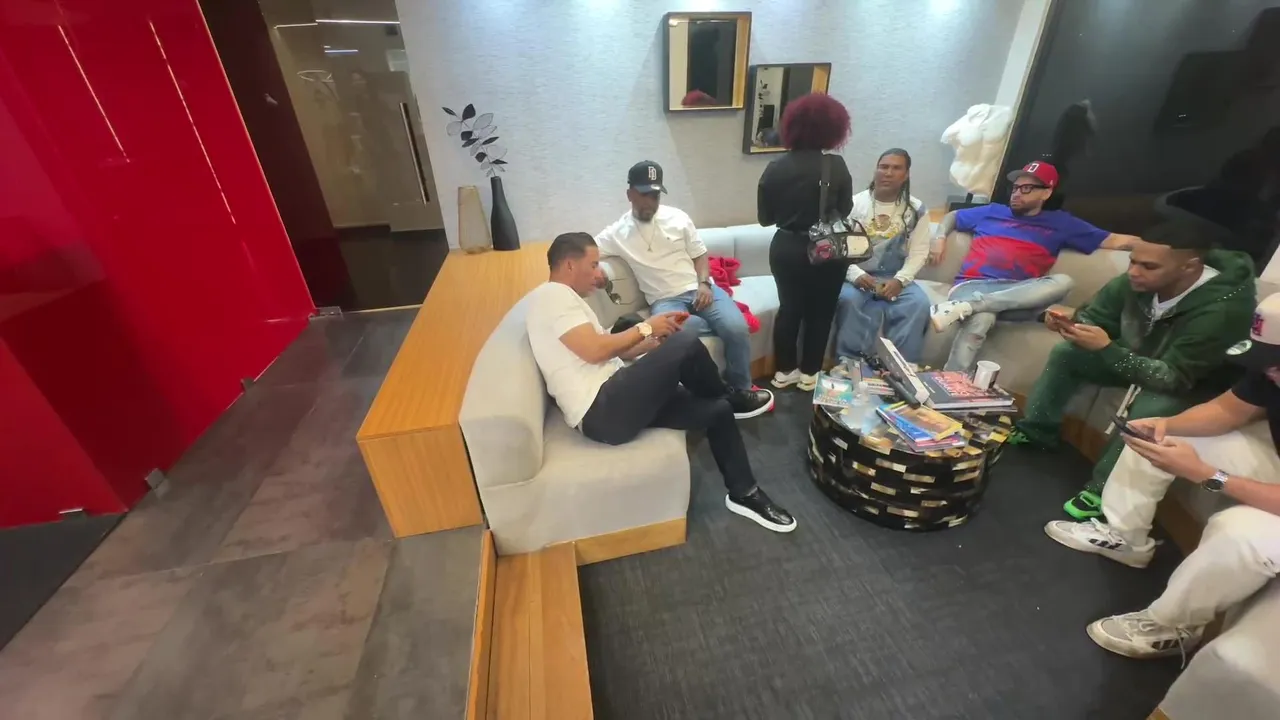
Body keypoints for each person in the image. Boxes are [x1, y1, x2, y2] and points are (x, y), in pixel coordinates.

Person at [1043, 292, 1280, 659]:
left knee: (1239, 534)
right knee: (1155, 439)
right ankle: (1125, 537)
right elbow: (1228, 410)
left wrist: (1209, 475)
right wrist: (1166, 424)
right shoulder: (1271, 368)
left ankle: (1173, 626)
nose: (1269, 373)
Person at [525, 232, 797, 533]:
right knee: (686, 343)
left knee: (716, 411)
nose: (599, 274)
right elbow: (594, 351)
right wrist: (646, 328)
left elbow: (609, 351)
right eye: (593, 265)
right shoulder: (552, 296)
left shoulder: (567, 301)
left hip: (616, 398)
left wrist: (653, 343)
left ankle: (745, 494)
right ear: (569, 265)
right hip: (600, 411)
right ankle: (732, 396)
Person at [1016, 221, 1255, 519]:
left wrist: (1107, 349)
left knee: (1152, 410)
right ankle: (1036, 431)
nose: (1133, 272)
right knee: (1068, 354)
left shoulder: (1223, 310)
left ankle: (1103, 491)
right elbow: (1096, 317)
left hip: (1192, 383)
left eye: (1149, 266)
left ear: (1189, 267)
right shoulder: (1136, 282)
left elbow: (1173, 378)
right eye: (1133, 261)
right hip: (1138, 358)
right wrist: (1073, 326)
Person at [595, 161, 773, 419]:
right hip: (665, 301)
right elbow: (588, 250)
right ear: (630, 194)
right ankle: (716, 384)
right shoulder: (616, 233)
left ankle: (742, 390)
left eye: (655, 195)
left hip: (698, 289)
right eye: (644, 195)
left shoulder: (678, 218)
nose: (651, 202)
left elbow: (700, 255)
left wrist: (704, 283)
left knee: (736, 327)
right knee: (682, 333)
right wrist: (596, 270)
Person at [929, 161, 1144, 372]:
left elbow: (1115, 240)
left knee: (1064, 281)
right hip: (971, 285)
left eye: (1026, 188)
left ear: (1046, 193)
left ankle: (966, 307)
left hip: (1018, 297)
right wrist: (939, 238)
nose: (1016, 193)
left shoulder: (1061, 223)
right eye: (1015, 188)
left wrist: (1157, 246)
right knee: (982, 318)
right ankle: (951, 379)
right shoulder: (992, 211)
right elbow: (953, 216)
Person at [758, 93, 854, 391]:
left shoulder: (775, 167)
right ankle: (810, 372)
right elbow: (845, 209)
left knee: (789, 310)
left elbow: (765, 219)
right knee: (821, 312)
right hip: (827, 248)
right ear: (834, 128)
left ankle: (784, 371)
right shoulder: (835, 166)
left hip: (786, 248)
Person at [834, 148, 932, 362]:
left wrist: (900, 280)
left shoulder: (916, 209)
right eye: (883, 167)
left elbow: (919, 252)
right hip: (857, 275)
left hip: (894, 275)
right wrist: (856, 275)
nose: (888, 173)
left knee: (918, 304)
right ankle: (849, 363)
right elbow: (839, 248)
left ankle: (901, 366)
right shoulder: (853, 204)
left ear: (906, 175)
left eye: (896, 168)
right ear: (876, 170)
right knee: (849, 299)